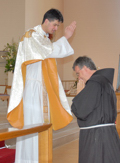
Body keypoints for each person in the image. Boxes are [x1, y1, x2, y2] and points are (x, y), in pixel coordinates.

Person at [7, 8, 76, 163]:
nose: (56, 28)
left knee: (40, 127)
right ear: (46, 20)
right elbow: (49, 51)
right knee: (31, 128)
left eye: (58, 26)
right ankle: (26, 160)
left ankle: (38, 159)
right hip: (32, 91)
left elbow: (49, 51)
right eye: (55, 25)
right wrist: (65, 37)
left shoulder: (43, 38)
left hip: (40, 91)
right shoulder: (31, 35)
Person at [71, 56, 120, 163]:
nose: (79, 78)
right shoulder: (105, 82)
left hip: (96, 137)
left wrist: (79, 94)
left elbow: (81, 111)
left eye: (78, 73)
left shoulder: (95, 82)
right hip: (106, 134)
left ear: (85, 68)